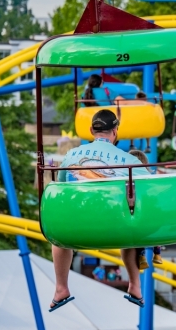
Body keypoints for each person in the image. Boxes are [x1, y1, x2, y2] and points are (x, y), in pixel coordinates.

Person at [50, 109, 147, 311]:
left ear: (90, 130)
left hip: (78, 230)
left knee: (58, 237)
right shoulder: (131, 161)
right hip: (115, 229)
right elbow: (152, 190)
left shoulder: (70, 157)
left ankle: (61, 288)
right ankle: (135, 286)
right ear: (116, 131)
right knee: (132, 234)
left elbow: (61, 190)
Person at [128, 148, 165, 266]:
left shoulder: (126, 180)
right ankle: (157, 253)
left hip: (133, 213)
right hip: (150, 214)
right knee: (156, 223)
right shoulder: (149, 180)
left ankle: (142, 255)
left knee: (139, 230)